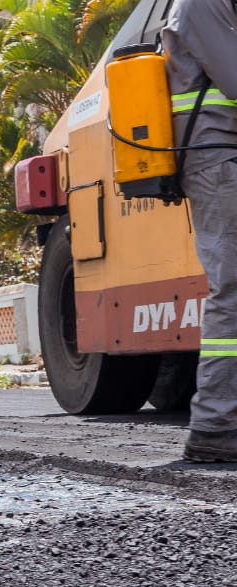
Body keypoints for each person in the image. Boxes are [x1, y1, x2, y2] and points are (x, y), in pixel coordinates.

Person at [165, 0, 237, 462]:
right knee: (233, 288)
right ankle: (215, 424)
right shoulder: (201, 3)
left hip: (223, 156)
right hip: (217, 159)